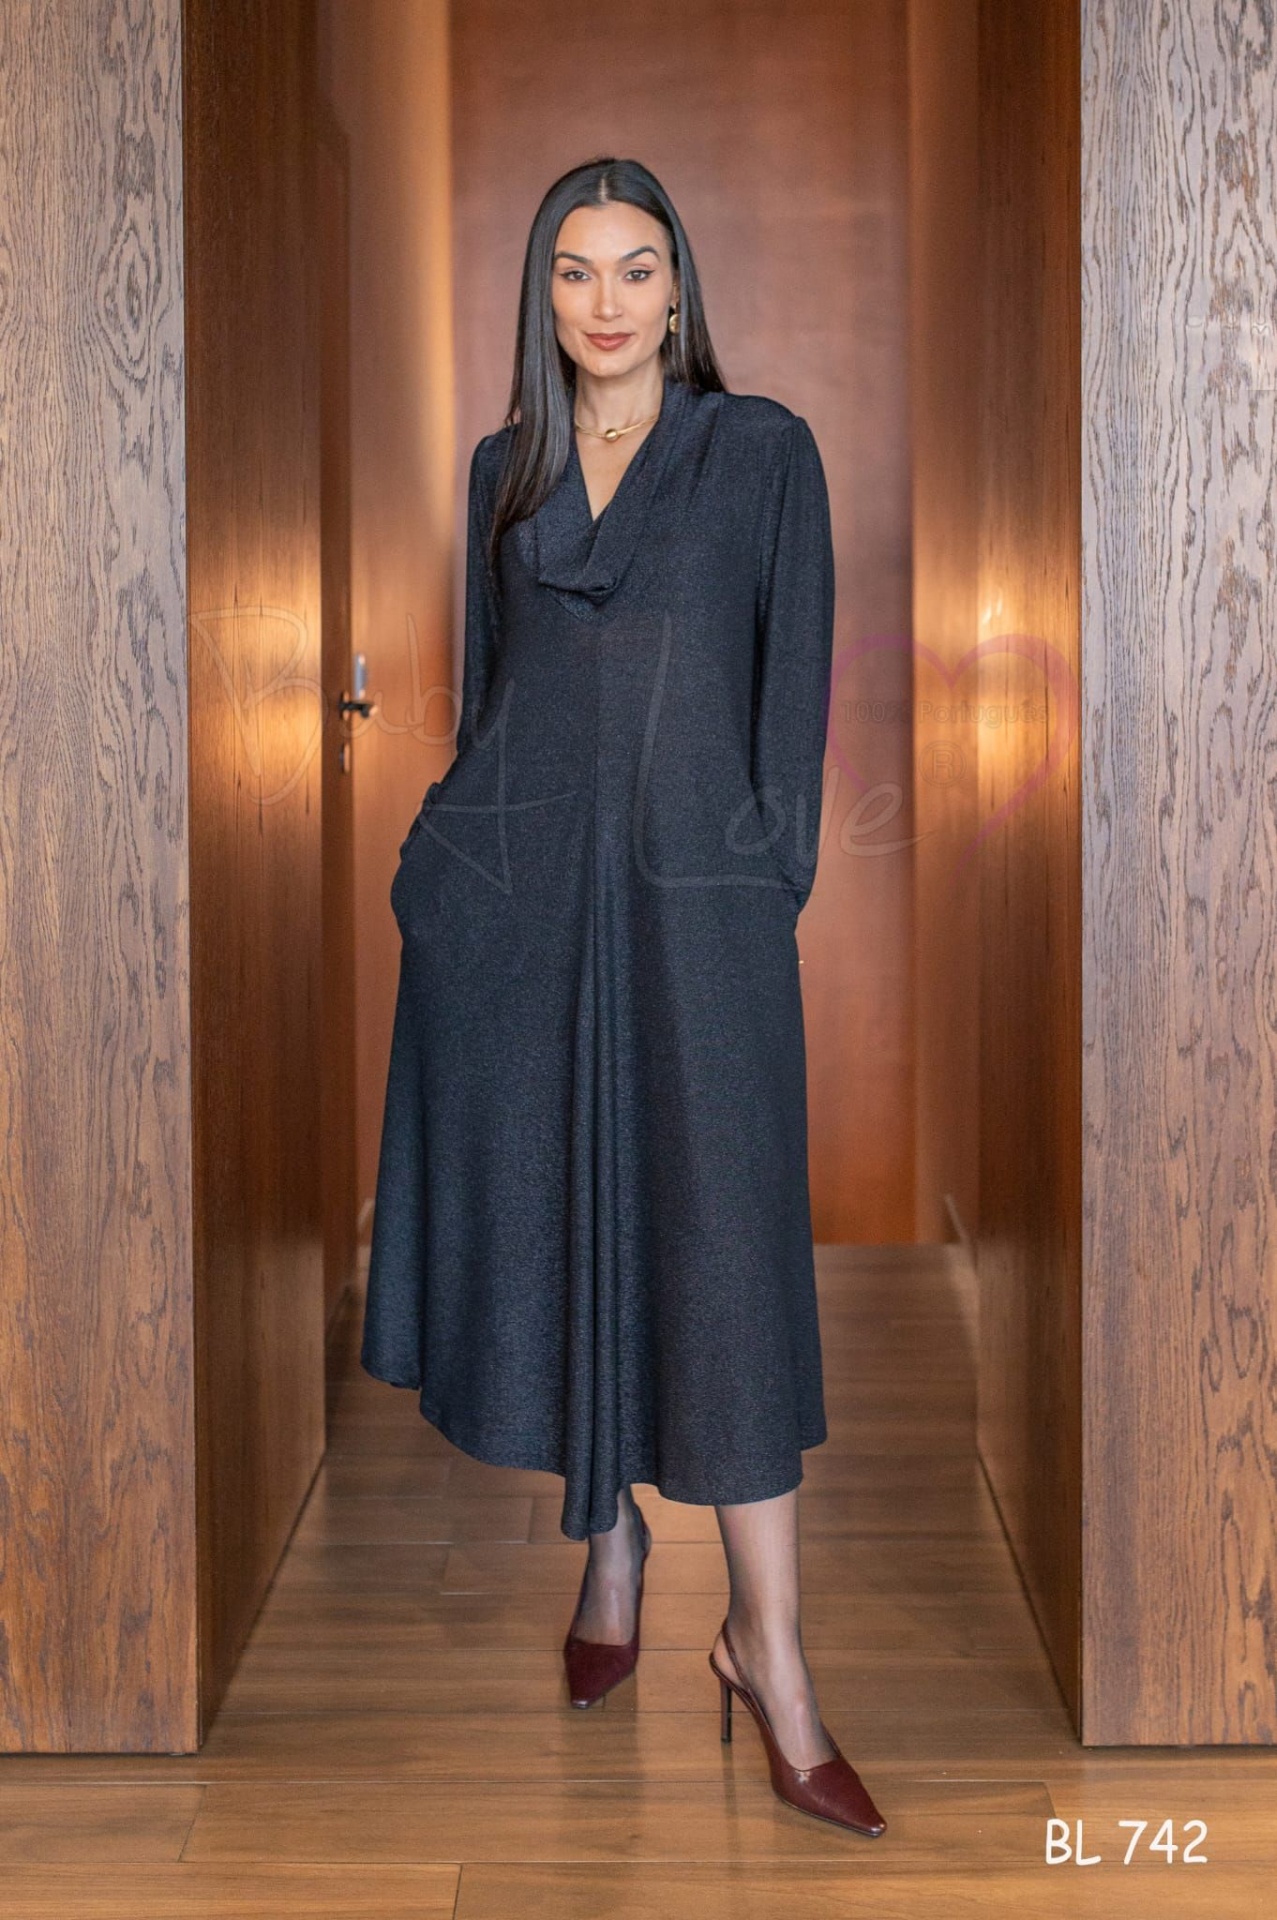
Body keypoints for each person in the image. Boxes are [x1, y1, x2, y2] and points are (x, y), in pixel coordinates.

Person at [361, 156, 886, 1839]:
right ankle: (609, 1552)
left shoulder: (761, 452)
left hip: (698, 918)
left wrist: (758, 884)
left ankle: (767, 1655)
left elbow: (788, 698)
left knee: (722, 1263)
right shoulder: (502, 471)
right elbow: (489, 699)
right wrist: (446, 868)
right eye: (575, 271)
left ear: (678, 287)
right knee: (561, 1219)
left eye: (636, 268)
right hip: (517, 919)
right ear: (544, 292)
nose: (606, 301)